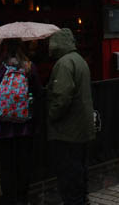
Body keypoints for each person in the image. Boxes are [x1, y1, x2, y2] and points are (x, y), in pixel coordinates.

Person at [0, 38, 42, 205]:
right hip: (24, 124)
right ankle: (22, 197)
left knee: (6, 163)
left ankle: (8, 198)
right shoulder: (29, 66)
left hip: (2, 126)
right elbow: (37, 91)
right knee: (23, 161)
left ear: (4, 47)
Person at [47, 28, 95, 205]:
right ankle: (81, 200)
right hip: (81, 128)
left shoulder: (64, 64)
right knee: (79, 170)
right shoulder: (79, 61)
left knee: (69, 173)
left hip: (67, 131)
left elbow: (62, 97)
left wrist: (51, 115)